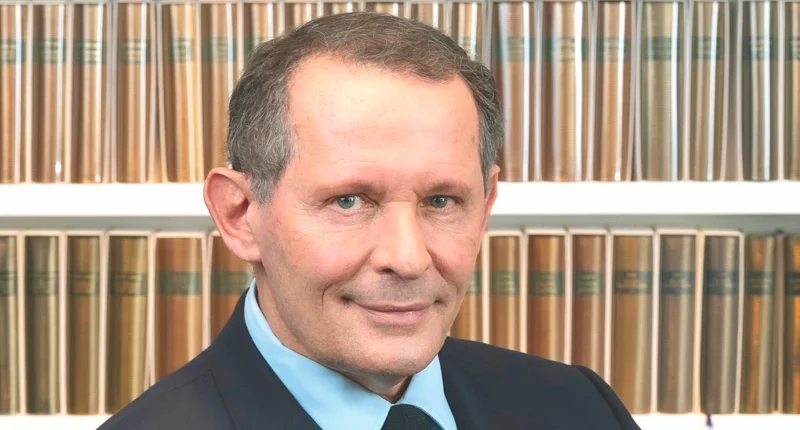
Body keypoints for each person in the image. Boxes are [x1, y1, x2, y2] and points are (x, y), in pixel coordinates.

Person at [99, 11, 639, 430]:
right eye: (349, 201)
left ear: (487, 203)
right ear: (239, 216)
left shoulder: (581, 409)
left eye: (442, 201)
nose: (407, 258)